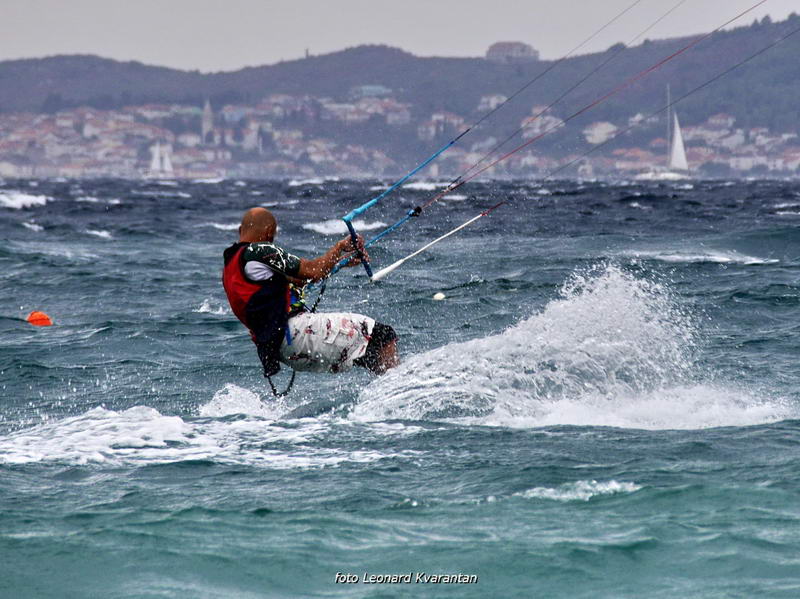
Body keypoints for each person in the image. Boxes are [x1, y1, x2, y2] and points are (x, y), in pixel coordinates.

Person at [222, 207, 399, 381]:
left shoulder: (233, 266)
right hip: (297, 333)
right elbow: (313, 271)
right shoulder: (259, 251)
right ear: (269, 232)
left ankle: (383, 396)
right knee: (382, 335)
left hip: (281, 349)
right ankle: (398, 389)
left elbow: (301, 280)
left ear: (240, 230)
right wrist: (340, 246)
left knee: (370, 353)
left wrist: (340, 261)